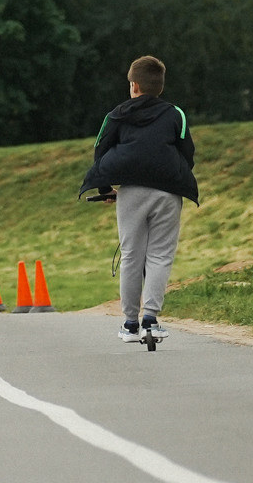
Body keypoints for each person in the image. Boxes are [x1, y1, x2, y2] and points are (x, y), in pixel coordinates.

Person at [81, 54, 198, 344]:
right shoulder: (176, 115)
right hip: (168, 193)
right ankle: (151, 320)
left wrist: (107, 189)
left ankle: (130, 325)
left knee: (132, 255)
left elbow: (101, 153)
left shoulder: (116, 115)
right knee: (159, 255)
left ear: (134, 86)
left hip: (131, 192)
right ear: (160, 86)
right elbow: (187, 155)